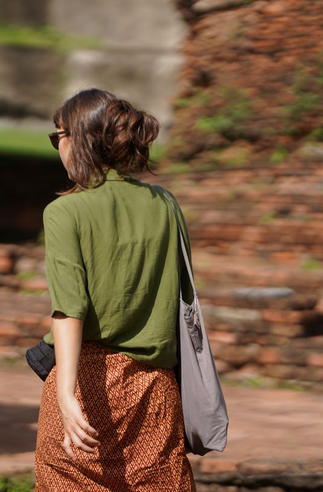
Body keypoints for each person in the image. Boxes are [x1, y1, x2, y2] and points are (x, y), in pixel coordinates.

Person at [34, 88, 197, 491]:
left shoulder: (65, 211)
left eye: (58, 137)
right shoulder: (165, 204)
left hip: (85, 384)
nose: (58, 148)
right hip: (153, 391)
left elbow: (69, 309)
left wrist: (67, 396)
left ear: (78, 139)